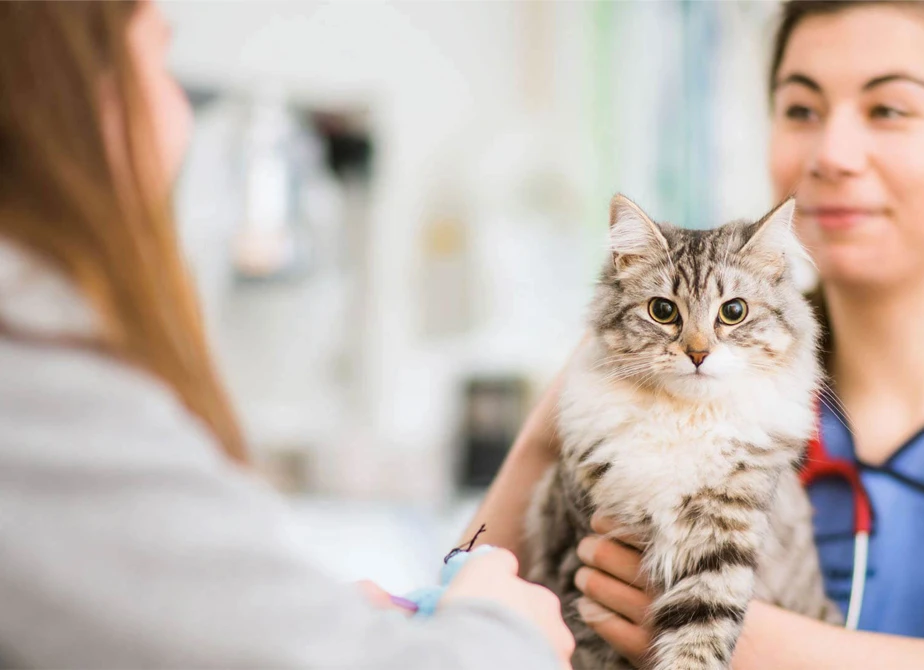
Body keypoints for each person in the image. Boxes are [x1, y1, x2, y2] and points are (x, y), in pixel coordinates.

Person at [466, 1, 924, 667]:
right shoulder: (684, 371)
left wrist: (722, 632)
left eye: (889, 109)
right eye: (801, 109)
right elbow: (460, 626)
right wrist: (541, 442)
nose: (832, 153)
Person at [0, 2, 574, 668]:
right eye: (157, 55)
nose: (182, 116)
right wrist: (502, 635)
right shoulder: (35, 376)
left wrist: (307, 617)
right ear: (62, 82)